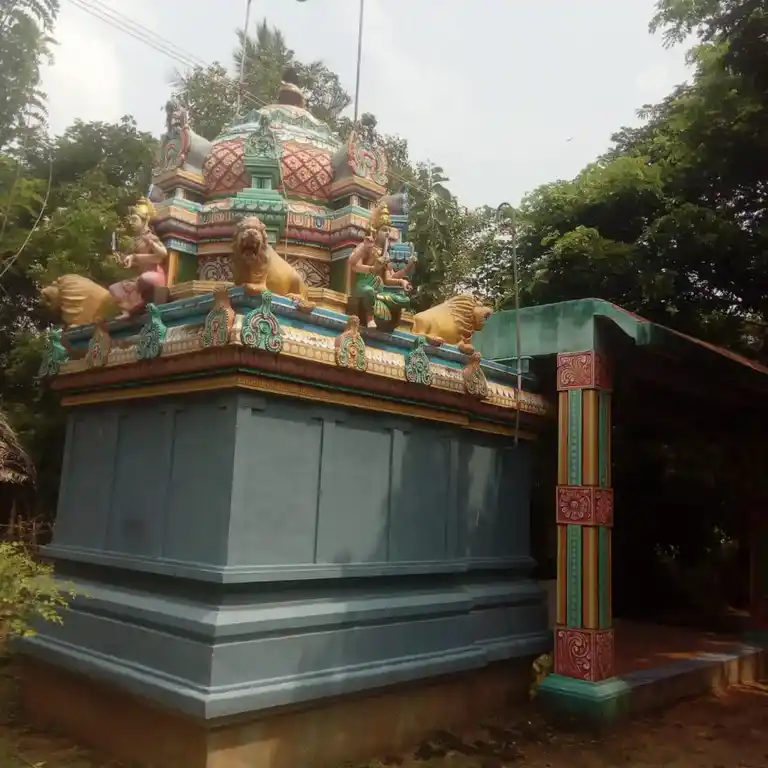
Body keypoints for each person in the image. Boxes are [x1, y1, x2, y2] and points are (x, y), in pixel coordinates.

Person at [108, 197, 168, 319]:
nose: (131, 223)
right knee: (113, 288)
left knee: (144, 278)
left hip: (155, 274)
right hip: (140, 277)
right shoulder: (136, 241)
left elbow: (161, 256)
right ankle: (127, 310)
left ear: (145, 221)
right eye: (130, 220)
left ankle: (137, 304)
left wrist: (150, 245)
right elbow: (137, 264)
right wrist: (124, 261)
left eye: (134, 219)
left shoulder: (150, 237)